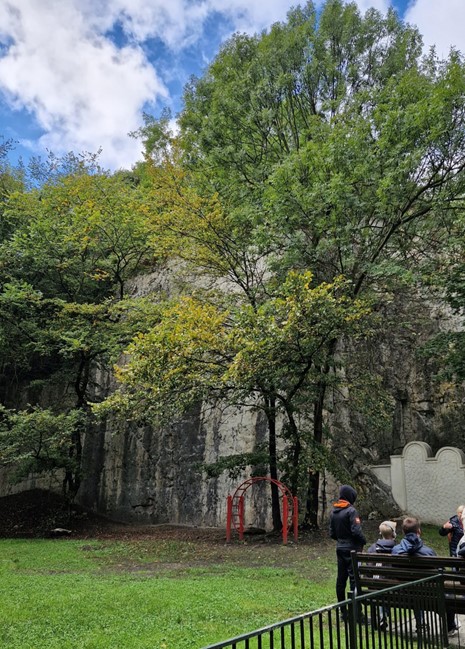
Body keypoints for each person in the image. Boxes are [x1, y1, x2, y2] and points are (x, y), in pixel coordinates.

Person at [393, 516, 459, 636]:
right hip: (428, 594)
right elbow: (441, 573)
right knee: (449, 595)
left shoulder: (395, 551)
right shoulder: (428, 552)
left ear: (403, 532)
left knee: (415, 589)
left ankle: (420, 623)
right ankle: (450, 627)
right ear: (419, 531)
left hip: (403, 592)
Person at [329, 484, 366, 608]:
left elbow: (332, 533)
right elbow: (356, 531)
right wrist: (363, 541)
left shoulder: (334, 511)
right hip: (353, 549)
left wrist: (341, 541)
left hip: (340, 548)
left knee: (341, 580)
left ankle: (343, 611)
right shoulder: (351, 511)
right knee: (354, 580)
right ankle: (356, 612)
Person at [367, 520, 397, 630]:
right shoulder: (397, 549)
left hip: (374, 586)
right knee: (385, 584)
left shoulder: (372, 549)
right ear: (393, 534)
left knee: (379, 585)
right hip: (394, 588)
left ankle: (382, 616)